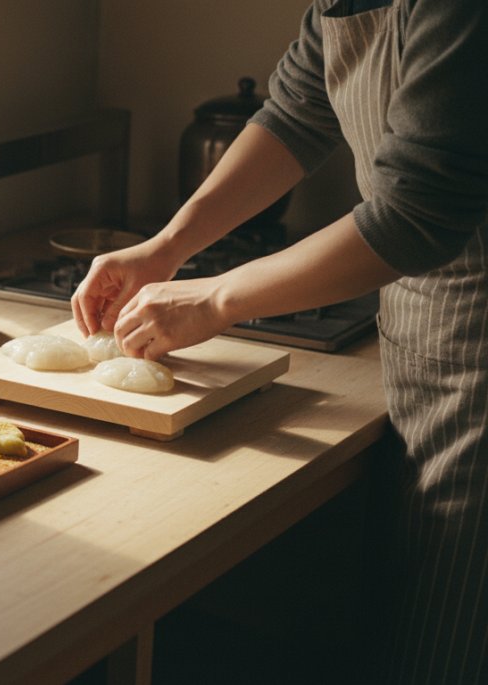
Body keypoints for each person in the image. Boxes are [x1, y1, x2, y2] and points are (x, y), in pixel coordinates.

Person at [71, 1, 488, 683]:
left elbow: (418, 212)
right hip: (423, 337)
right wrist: (165, 249)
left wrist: (215, 297)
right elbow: (298, 112)